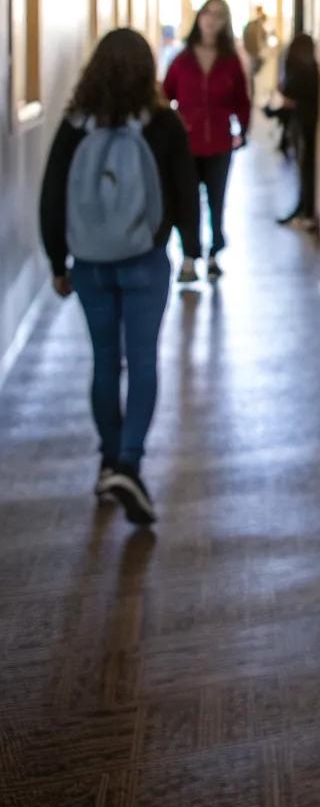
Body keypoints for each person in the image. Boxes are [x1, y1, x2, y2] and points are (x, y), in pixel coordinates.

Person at [39, 28, 200, 525]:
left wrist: (57, 261)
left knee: (105, 362)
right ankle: (129, 463)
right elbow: (185, 188)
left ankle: (109, 461)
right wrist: (191, 248)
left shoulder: (75, 125)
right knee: (144, 360)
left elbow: (51, 194)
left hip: (89, 264)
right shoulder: (163, 123)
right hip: (145, 260)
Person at [163, 0, 250, 281]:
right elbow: (165, 98)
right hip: (186, 145)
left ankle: (214, 253)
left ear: (225, 23)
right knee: (187, 202)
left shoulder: (230, 61)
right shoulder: (182, 60)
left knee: (216, 200)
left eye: (219, 16)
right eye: (207, 14)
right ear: (199, 18)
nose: (212, 20)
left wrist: (243, 130)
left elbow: (241, 100)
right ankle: (189, 257)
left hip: (220, 144)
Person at [275, 33, 320, 229]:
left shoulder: (303, 70)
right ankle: (304, 210)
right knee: (304, 169)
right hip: (304, 123)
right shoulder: (310, 68)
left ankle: (306, 211)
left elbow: (287, 93)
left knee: (306, 169)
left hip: (304, 124)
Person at [241, 5, 267, 88]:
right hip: (252, 52)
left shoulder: (253, 25)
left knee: (251, 76)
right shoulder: (255, 25)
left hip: (252, 52)